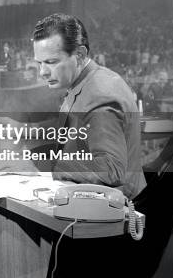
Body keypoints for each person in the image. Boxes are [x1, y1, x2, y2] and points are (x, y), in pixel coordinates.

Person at [32, 13, 146, 199]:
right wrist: (22, 129)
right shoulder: (86, 80)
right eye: (39, 63)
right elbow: (73, 127)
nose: (43, 72)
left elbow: (111, 169)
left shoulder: (101, 96)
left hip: (111, 213)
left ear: (79, 54)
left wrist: (39, 165)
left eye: (51, 62)